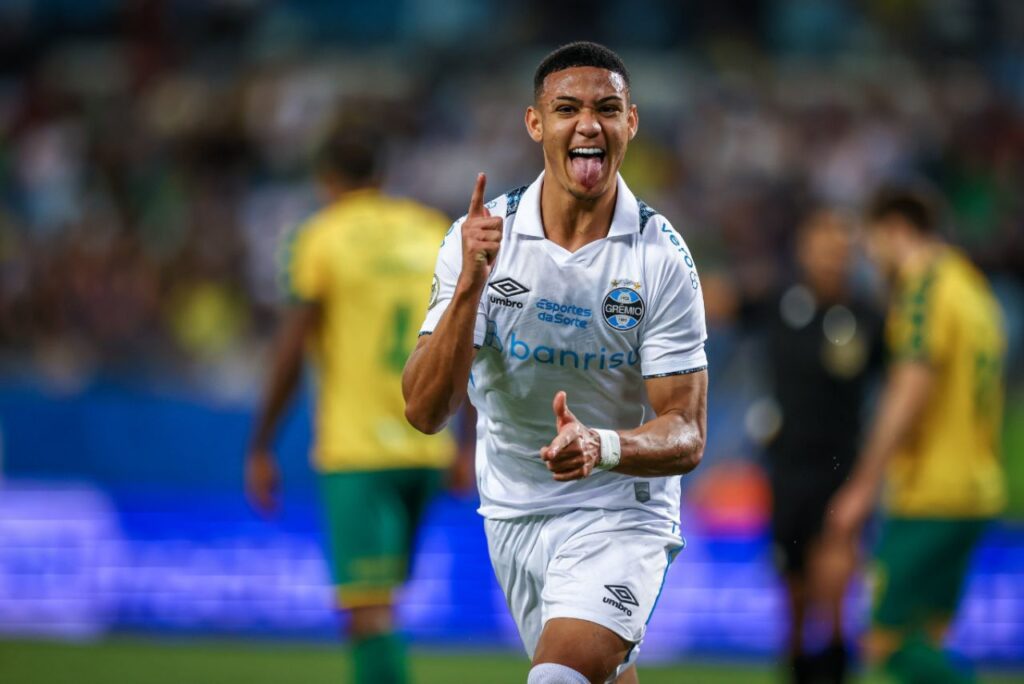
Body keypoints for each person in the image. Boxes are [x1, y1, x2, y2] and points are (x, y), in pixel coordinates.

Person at [403, 42, 708, 684]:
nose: (588, 124)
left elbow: (686, 431)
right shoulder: (484, 239)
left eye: (607, 108)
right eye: (566, 108)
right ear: (536, 124)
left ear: (631, 123)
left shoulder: (661, 260)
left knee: (558, 679)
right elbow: (425, 410)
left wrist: (601, 445)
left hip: (622, 506)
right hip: (513, 506)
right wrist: (469, 289)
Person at [245, 128, 459, 684]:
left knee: (366, 611)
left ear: (326, 180)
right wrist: (470, 443)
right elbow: (471, 336)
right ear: (381, 176)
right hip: (430, 446)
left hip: (358, 451)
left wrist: (262, 444)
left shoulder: (321, 236)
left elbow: (293, 349)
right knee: (381, 604)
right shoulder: (432, 230)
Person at [825, 187, 1007, 684]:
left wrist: (864, 483)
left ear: (896, 230)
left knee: (885, 640)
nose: (869, 257)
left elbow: (911, 385)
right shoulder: (973, 288)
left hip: (932, 492)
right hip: (976, 487)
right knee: (928, 638)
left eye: (871, 243)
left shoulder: (924, 285)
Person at [752, 210, 884, 684]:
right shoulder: (779, 301)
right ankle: (797, 670)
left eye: (839, 247)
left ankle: (835, 664)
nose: (830, 256)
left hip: (841, 469)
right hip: (786, 471)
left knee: (833, 589)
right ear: (804, 250)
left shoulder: (868, 317)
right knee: (795, 598)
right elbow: (711, 301)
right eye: (821, 245)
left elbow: (900, 382)